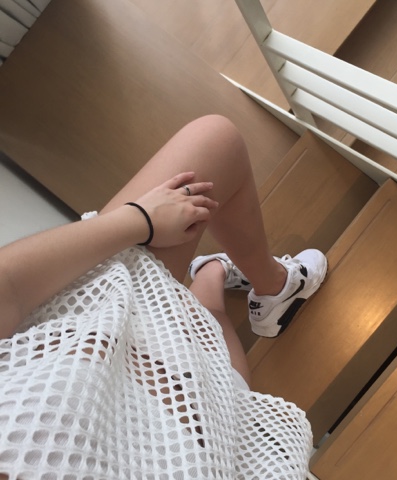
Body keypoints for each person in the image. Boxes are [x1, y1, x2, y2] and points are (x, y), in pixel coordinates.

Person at [0, 115, 327, 479]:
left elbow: (7, 287)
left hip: (92, 333)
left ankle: (233, 276)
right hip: (190, 444)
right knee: (218, 369)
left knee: (214, 145)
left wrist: (141, 219)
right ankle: (229, 275)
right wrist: (139, 219)